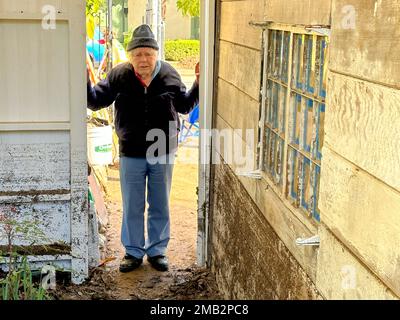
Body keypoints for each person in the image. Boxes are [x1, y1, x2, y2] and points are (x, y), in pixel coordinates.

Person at [87, 24, 199, 272]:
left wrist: (199, 84)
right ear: (130, 57)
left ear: (156, 54)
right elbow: (96, 102)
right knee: (133, 204)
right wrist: (85, 81)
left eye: (148, 53)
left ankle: (157, 250)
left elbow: (184, 106)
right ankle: (133, 252)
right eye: (138, 54)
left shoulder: (169, 74)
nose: (143, 59)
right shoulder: (119, 75)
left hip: (163, 151)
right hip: (131, 151)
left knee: (160, 202)